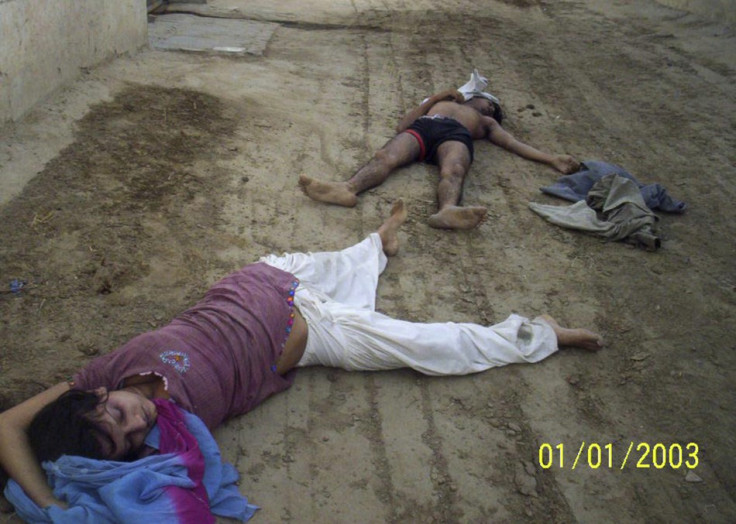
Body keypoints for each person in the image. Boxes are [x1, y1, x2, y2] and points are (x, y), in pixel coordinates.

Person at [0, 200, 603, 511]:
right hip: (313, 331)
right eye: (130, 439)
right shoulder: (175, 437)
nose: (139, 422)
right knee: (428, 345)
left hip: (263, 278)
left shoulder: (95, 376)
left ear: (97, 396)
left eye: (115, 416)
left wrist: (48, 501)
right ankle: (541, 333)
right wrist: (59, 502)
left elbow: (7, 425)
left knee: (342, 264)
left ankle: (378, 244)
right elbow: (166, 503)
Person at [299, 87, 581, 230]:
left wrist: (552, 158)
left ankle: (447, 210)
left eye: (491, 105)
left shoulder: (484, 122)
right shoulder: (443, 102)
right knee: (386, 156)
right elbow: (403, 125)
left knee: (454, 169)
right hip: (424, 128)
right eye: (485, 100)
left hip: (456, 137)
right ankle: (347, 188)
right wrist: (436, 96)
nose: (486, 104)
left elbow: (515, 144)